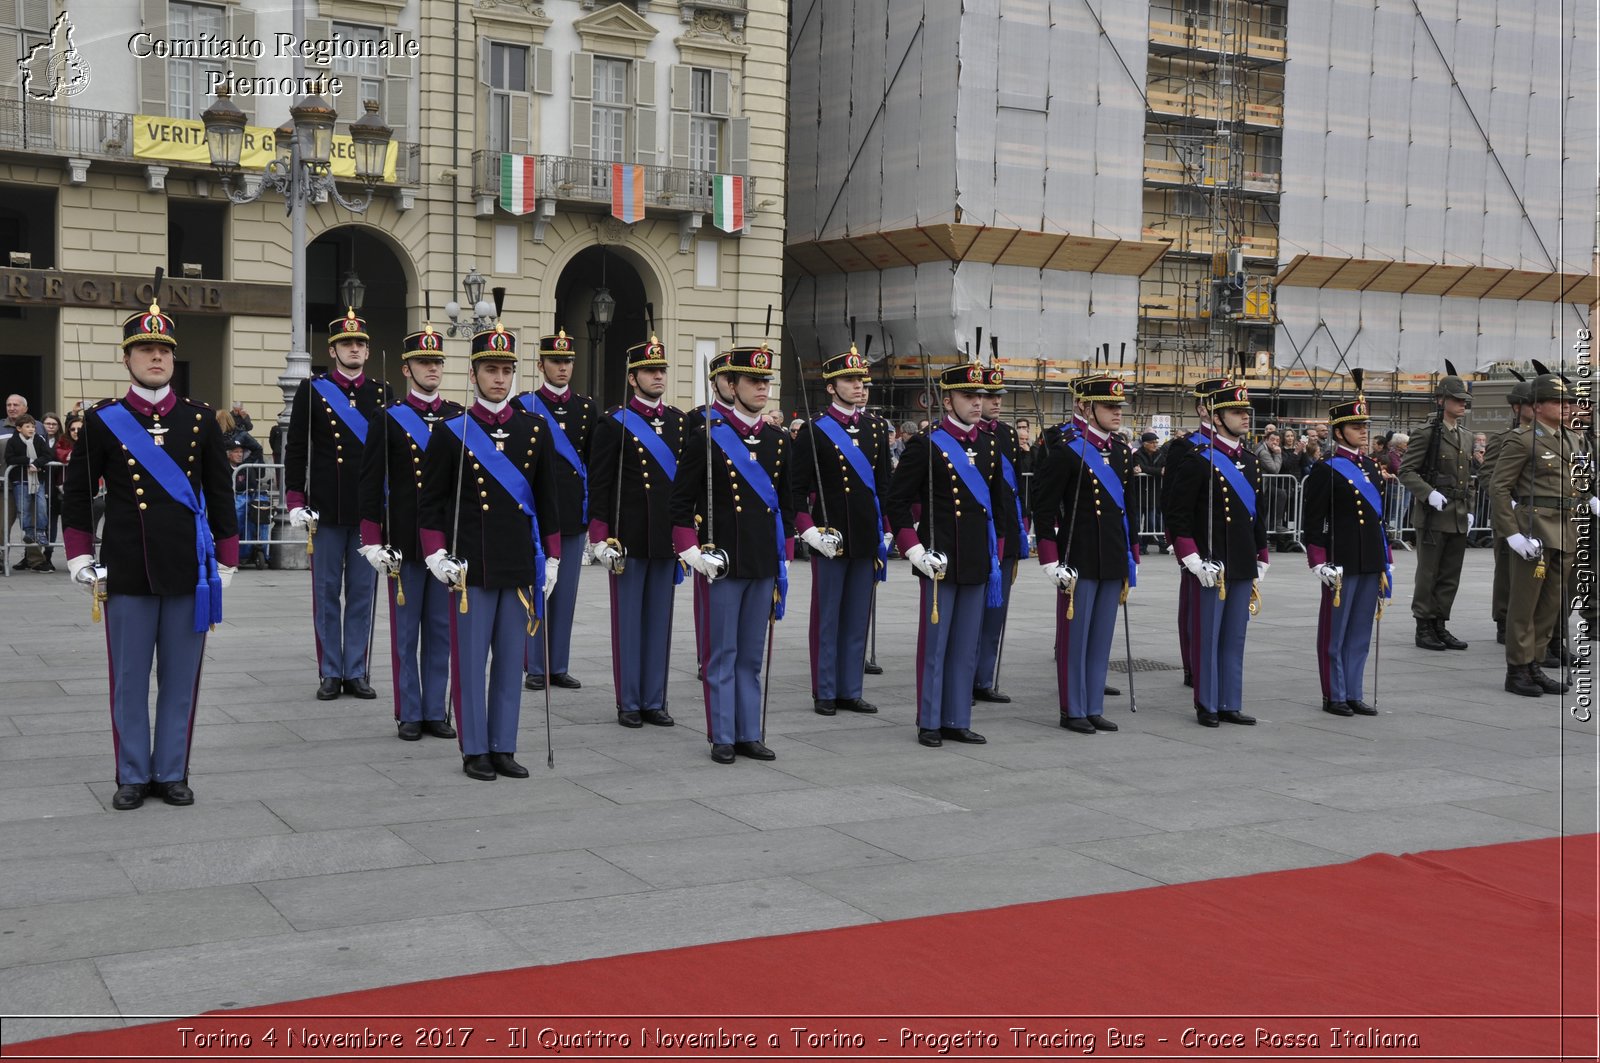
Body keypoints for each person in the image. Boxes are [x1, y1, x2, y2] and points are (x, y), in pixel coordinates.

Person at [61, 297, 238, 810]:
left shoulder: (201, 420)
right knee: (130, 680)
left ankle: (172, 771)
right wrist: (78, 557)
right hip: (127, 571)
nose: (155, 358)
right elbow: (75, 497)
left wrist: (226, 560)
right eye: (145, 350)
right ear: (127, 359)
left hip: (188, 570)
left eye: (163, 350)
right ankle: (133, 774)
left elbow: (220, 493)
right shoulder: (103, 421)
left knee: (182, 680)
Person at [418, 322, 561, 779]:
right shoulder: (451, 431)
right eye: (490, 370)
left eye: (506, 370)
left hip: (517, 561)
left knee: (508, 660)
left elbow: (547, 501)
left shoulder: (534, 429)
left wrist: (553, 557)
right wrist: (435, 554)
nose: (499, 379)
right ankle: (474, 748)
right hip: (471, 566)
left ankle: (504, 744)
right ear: (475, 374)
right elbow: (431, 503)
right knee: (470, 660)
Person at [672, 344, 794, 764]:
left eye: (766, 382)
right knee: (721, 654)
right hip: (720, 561)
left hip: (760, 561)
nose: (762, 389)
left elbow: (788, 501)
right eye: (753, 382)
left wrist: (787, 550)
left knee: (750, 654)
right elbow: (680, 501)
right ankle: (722, 733)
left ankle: (749, 732)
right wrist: (691, 550)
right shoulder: (706, 437)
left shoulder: (778, 440)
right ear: (732, 385)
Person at [886, 361, 1006, 748]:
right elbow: (897, 501)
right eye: (969, 396)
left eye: (980, 396)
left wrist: (996, 552)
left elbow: (997, 505)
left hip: (975, 558)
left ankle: (958, 717)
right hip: (940, 556)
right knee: (936, 646)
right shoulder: (927, 444)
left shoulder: (989, 444)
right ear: (948, 398)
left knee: (965, 645)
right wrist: (915, 549)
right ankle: (930, 719)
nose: (977, 402)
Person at [357, 325, 461, 742]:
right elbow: (370, 483)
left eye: (437, 362)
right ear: (406, 368)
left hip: (446, 542)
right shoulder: (388, 418)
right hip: (403, 538)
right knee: (406, 633)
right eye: (424, 362)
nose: (432, 369)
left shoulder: (457, 417)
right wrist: (371, 542)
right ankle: (409, 711)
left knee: (441, 630)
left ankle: (436, 709)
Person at [285, 310, 393, 701]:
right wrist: (295, 499)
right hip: (326, 508)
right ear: (332, 350)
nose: (355, 348)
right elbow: (296, 447)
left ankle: (357, 670)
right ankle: (331, 671)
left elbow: (391, 456)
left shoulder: (381, 393)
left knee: (363, 593)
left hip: (367, 512)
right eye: (347, 343)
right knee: (327, 592)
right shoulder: (312, 390)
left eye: (360, 343)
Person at [588, 337, 685, 729]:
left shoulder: (680, 421)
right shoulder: (614, 423)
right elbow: (600, 484)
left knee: (660, 623)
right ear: (633, 378)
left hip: (665, 538)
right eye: (649, 370)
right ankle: (629, 701)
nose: (658, 376)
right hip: (627, 538)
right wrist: (600, 537)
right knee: (629, 623)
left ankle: (654, 699)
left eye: (661, 370)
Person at [1031, 376, 1137, 734]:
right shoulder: (1065, 449)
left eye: (1119, 406)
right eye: (1109, 406)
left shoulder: (1122, 452)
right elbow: (1043, 508)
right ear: (1085, 407)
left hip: (1110, 556)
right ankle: (1072, 709)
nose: (1117, 412)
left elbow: (1129, 507)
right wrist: (1049, 560)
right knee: (1075, 640)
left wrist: (1131, 552)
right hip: (1077, 556)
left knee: (1101, 638)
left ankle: (1093, 705)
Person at [790, 344, 890, 718]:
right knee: (828, 617)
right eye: (850, 380)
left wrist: (889, 531)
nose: (858, 386)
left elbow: (884, 487)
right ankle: (825, 690)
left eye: (861, 380)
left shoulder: (876, 428)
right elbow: (796, 491)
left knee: (856, 617)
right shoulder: (816, 431)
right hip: (830, 536)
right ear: (831, 387)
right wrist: (809, 532)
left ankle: (851, 689)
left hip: (865, 536)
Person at [1163, 381, 1267, 728]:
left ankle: (1229, 702)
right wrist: (1191, 558)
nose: (1245, 417)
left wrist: (1261, 554)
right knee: (1207, 637)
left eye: (1246, 412)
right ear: (1218, 417)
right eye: (1237, 412)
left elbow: (1257, 514)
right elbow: (1177, 514)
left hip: (1240, 560)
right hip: (1211, 563)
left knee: (1235, 636)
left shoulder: (1250, 462)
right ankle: (1207, 703)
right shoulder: (1197, 459)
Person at [1491, 374, 1594, 696]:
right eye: (1557, 402)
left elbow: (1578, 485)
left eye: (1567, 402)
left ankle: (1535, 663)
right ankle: (1517, 670)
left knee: (1550, 605)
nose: (1565, 407)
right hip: (1534, 530)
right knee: (1524, 605)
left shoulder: (1574, 440)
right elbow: (1499, 487)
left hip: (1565, 529)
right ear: (1536, 406)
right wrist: (1512, 534)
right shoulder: (1522, 440)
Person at [515, 330, 597, 692]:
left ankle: (558, 664)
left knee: (566, 594)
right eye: (555, 361)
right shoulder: (524, 405)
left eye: (567, 362)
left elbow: (593, 461)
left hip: (572, 514)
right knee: (538, 589)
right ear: (541, 365)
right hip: (536, 516)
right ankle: (535, 664)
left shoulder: (586, 408)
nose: (562, 368)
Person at [1301, 395, 1390, 717]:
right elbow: (1313, 521)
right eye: (1356, 426)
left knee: (1360, 632)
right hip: (1341, 559)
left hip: (1369, 559)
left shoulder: (1370, 467)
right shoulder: (1326, 469)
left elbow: (1378, 517)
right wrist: (1318, 559)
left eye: (1365, 426)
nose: (1363, 431)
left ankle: (1354, 691)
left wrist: (1386, 556)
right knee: (1335, 633)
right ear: (1339, 432)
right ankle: (1334, 694)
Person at [1160, 377, 1234, 689]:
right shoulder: (1185, 447)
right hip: (1195, 539)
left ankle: (1218, 663)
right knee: (1192, 605)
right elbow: (1171, 497)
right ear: (1203, 409)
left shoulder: (1233, 448)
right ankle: (1193, 665)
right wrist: (1175, 540)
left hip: (1227, 540)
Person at [1397, 373, 1473, 651]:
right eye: (1456, 399)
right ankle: (1424, 625)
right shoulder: (1426, 433)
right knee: (1429, 572)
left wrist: (1471, 508)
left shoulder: (1465, 436)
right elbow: (1406, 471)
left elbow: (1468, 478)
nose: (1462, 404)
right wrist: (1428, 493)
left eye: (1465, 400)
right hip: (1433, 514)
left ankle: (1440, 623)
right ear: (1441, 401)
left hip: (1458, 512)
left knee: (1450, 574)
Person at [973, 366, 1026, 704]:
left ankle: (983, 678)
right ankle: (963, 677)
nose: (995, 402)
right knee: (970, 617)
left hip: (1005, 532)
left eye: (997, 397)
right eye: (989, 396)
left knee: (996, 614)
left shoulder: (1006, 434)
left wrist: (1023, 524)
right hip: (976, 534)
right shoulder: (959, 435)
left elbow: (1017, 484)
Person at [1483, 380, 1535, 644]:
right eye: (1530, 403)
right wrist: (1511, 505)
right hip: (1509, 515)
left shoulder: (1546, 437)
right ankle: (1503, 620)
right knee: (1505, 572)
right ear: (1517, 407)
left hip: (1536, 516)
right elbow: (1487, 476)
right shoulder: (1503, 439)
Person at [5, 413, 50, 570]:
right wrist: (28, 461)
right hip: (20, 481)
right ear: (19, 429)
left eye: (33, 426)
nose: (31, 429)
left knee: (42, 506)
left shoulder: (38, 440)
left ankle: (41, 532)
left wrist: (37, 463)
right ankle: (29, 532)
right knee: (23, 510)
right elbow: (9, 458)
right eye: (28, 426)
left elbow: (48, 455)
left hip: (38, 480)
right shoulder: (14, 441)